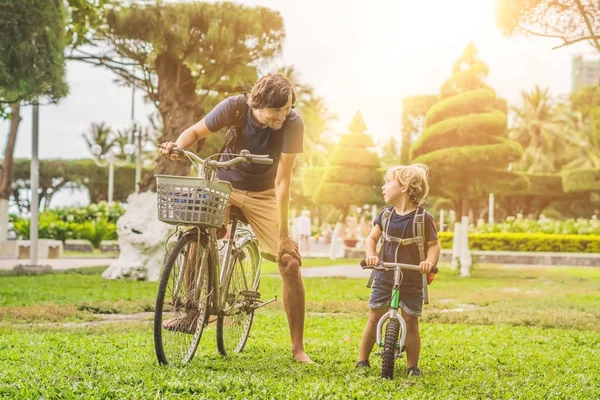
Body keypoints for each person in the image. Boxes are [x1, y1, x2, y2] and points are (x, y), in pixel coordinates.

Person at [159, 73, 312, 363]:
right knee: (198, 232)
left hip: (264, 193)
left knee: (289, 261)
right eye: (277, 110)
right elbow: (193, 133)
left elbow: (283, 181)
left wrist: (283, 234)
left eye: (288, 108)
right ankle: (193, 311)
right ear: (258, 104)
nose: (284, 115)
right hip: (224, 186)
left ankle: (298, 348)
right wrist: (179, 147)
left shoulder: (293, 123)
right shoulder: (235, 107)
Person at [356, 164, 440, 376]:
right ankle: (362, 360)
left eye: (388, 182)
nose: (383, 187)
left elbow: (434, 245)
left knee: (411, 321)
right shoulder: (385, 216)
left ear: (404, 187)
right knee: (374, 317)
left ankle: (412, 366)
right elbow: (371, 239)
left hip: (412, 278)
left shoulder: (422, 218)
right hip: (385, 275)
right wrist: (371, 256)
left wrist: (429, 262)